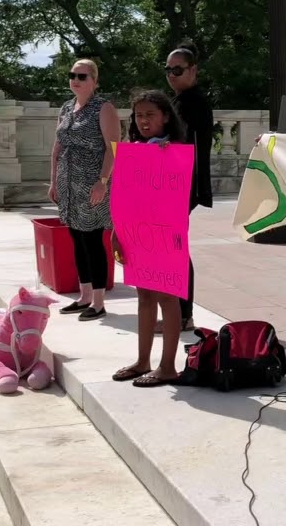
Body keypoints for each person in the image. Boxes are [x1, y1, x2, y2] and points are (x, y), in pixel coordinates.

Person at [112, 89, 189, 387]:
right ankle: (143, 360)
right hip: (138, 233)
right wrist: (118, 231)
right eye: (139, 115)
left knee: (167, 297)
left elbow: (178, 196)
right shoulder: (134, 150)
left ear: (165, 117)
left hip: (164, 233)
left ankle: (167, 365)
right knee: (144, 296)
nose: (144, 121)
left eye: (150, 115)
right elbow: (124, 197)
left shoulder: (174, 150)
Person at [50, 58, 121, 322]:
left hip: (93, 183)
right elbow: (57, 146)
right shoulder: (67, 107)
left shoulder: (103, 108)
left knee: (92, 240)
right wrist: (53, 180)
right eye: (73, 75)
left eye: (82, 76)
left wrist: (102, 181)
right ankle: (84, 295)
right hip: (68, 183)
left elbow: (113, 148)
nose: (76, 80)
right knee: (76, 239)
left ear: (94, 80)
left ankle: (99, 301)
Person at [164, 42, 213, 332]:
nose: (172, 74)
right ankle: (180, 313)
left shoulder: (192, 101)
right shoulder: (183, 99)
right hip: (183, 182)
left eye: (178, 69)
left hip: (185, 183)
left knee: (176, 246)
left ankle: (183, 314)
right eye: (168, 70)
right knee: (174, 245)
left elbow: (183, 146)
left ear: (193, 70)